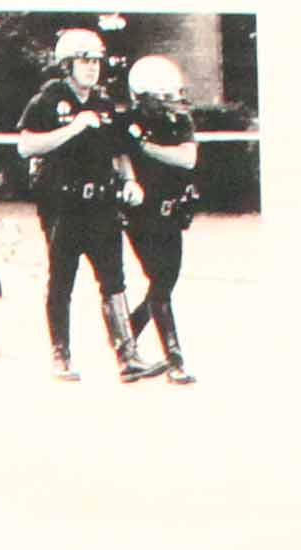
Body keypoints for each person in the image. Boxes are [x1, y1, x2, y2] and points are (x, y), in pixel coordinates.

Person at [12, 29, 133, 377]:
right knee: (62, 279)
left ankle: (127, 355)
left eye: (96, 60)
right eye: (84, 60)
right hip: (63, 204)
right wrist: (74, 128)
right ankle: (60, 354)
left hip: (102, 204)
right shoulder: (48, 100)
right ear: (67, 65)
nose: (93, 67)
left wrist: (129, 180)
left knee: (114, 279)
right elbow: (26, 145)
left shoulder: (104, 103)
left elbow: (119, 151)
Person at [111, 53, 203, 383]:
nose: (171, 101)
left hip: (172, 211)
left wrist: (147, 149)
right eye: (163, 95)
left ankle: (129, 332)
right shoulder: (128, 122)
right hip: (142, 213)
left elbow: (187, 158)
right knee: (161, 279)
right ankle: (175, 359)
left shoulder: (179, 121)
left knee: (166, 279)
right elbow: (120, 156)